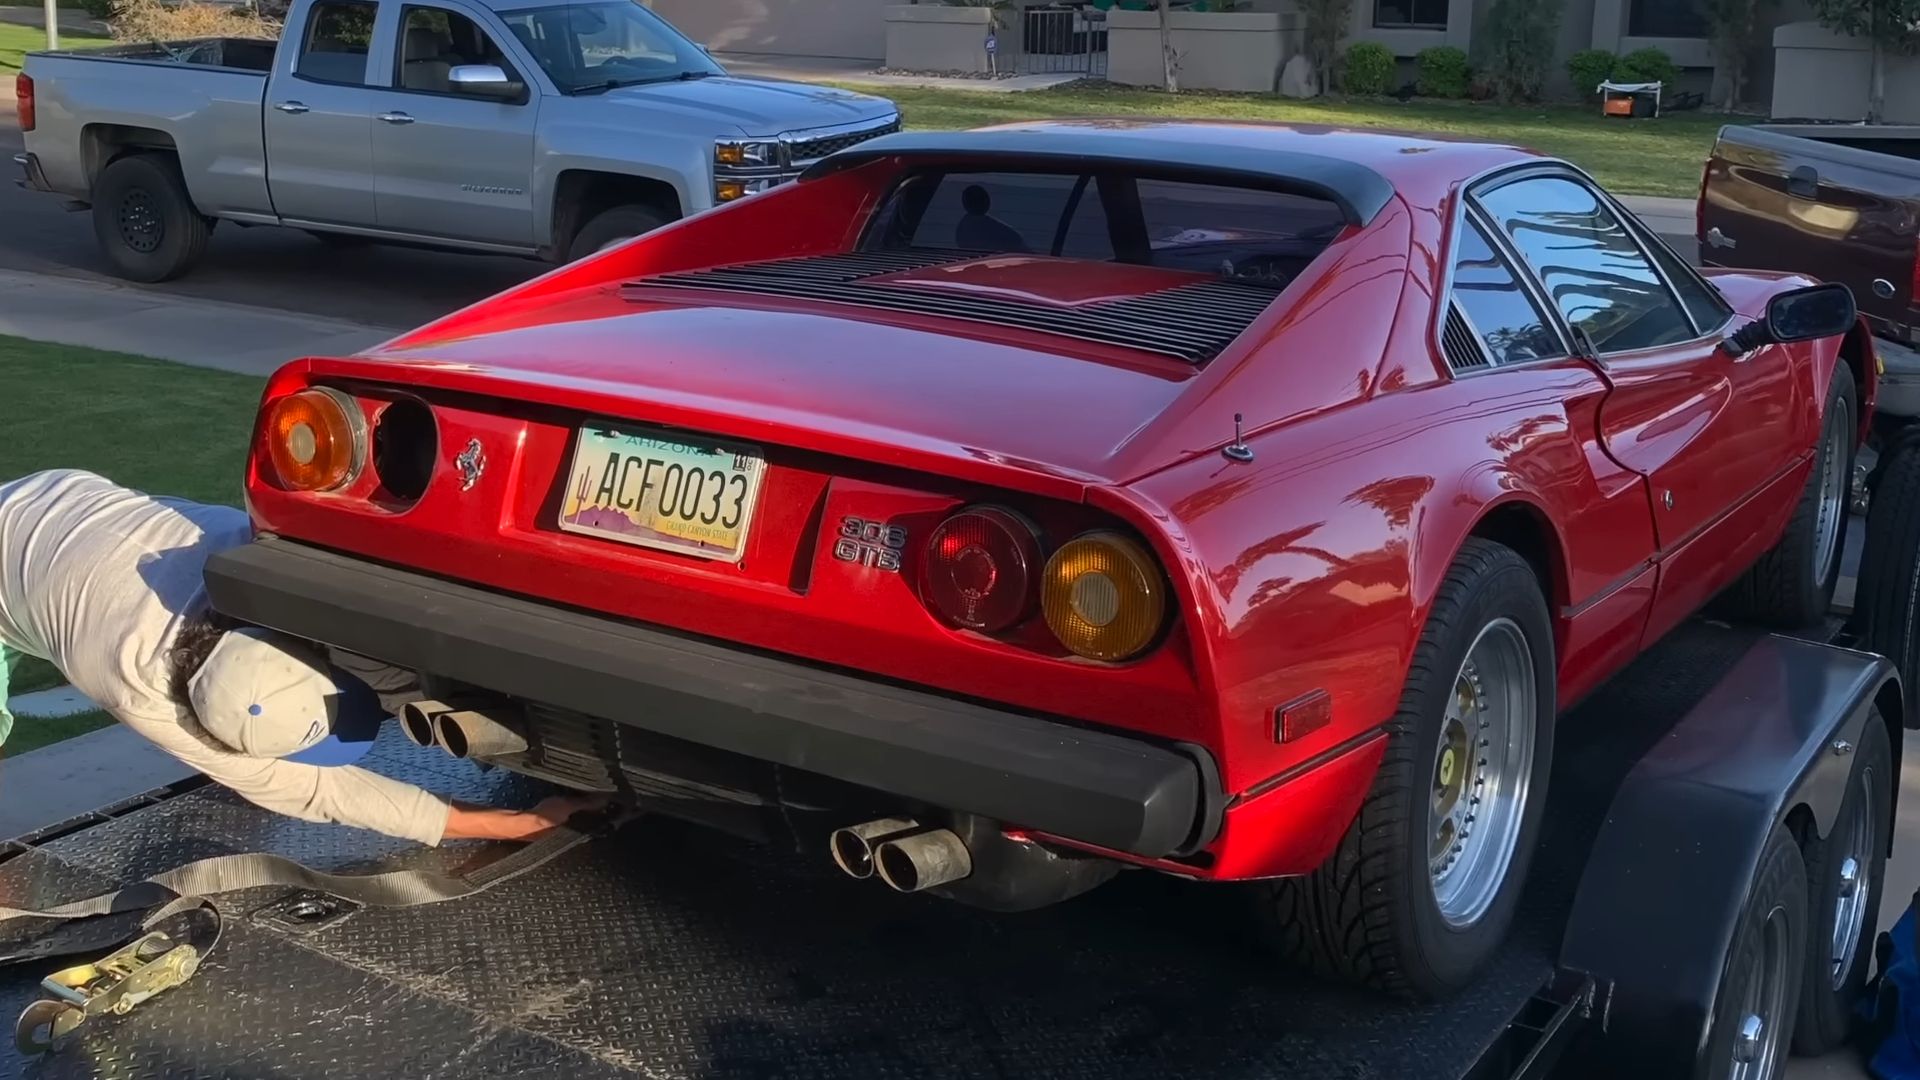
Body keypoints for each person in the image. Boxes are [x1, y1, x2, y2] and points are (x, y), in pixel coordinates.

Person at [0, 469, 597, 845]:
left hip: (73, 504)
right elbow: (315, 793)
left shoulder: (244, 557)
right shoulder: (134, 689)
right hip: (34, 555)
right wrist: (492, 822)